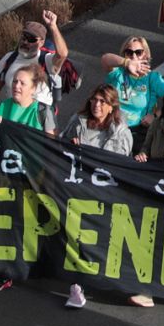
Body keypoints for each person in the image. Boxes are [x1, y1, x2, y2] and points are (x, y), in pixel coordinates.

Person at [59, 84, 135, 309]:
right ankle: (77, 285)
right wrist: (69, 145)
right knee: (75, 236)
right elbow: (59, 144)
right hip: (77, 190)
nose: (96, 105)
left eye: (102, 102)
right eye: (94, 100)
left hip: (104, 194)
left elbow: (122, 164)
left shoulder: (121, 131)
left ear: (112, 107)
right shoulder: (78, 121)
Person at [0, 11, 68, 121]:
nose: (25, 42)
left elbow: (62, 54)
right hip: (13, 116)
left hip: (37, 121)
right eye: (24, 37)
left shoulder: (46, 60)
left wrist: (53, 26)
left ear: (41, 43)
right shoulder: (9, 58)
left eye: (31, 39)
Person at [98, 35, 164, 152]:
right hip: (112, 126)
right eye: (129, 52)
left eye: (138, 52)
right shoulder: (118, 73)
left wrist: (156, 115)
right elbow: (105, 59)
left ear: (146, 55)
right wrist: (127, 63)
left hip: (138, 130)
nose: (134, 56)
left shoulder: (152, 78)